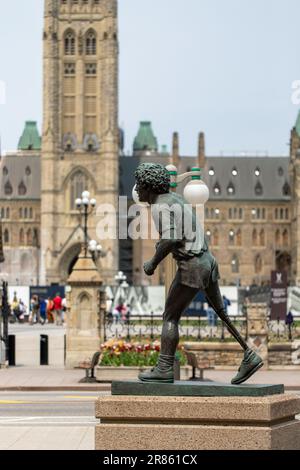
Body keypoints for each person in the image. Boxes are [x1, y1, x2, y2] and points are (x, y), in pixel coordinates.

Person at [135, 163, 263, 385]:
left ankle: (164, 367)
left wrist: (153, 262)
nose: (136, 189)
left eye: (139, 184)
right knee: (221, 312)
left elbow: (171, 237)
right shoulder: (176, 199)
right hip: (207, 260)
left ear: (148, 186)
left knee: (170, 316)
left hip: (192, 265)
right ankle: (249, 355)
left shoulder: (159, 206)